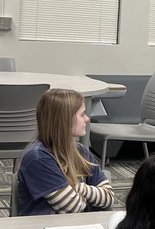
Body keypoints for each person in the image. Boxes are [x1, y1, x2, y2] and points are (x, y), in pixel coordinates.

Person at [16, 88, 114, 216]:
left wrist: (77, 187)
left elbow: (109, 198)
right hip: (46, 227)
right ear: (64, 120)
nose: (87, 119)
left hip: (80, 224)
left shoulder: (81, 151)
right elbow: (72, 208)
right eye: (82, 114)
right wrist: (92, 195)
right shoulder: (38, 158)